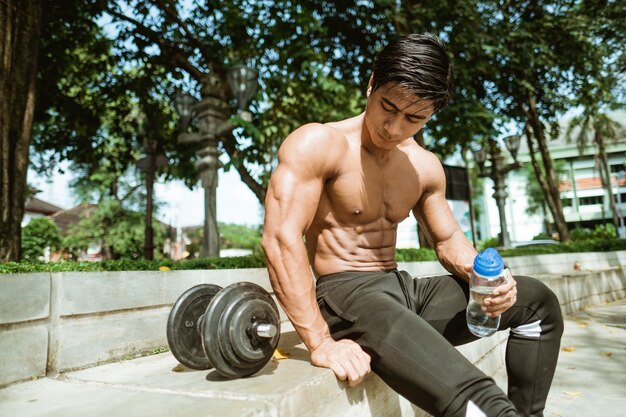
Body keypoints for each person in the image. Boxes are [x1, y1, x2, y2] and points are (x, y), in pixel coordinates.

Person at [261, 33, 564, 417]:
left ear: (432, 113)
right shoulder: (319, 143)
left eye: (414, 118)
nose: (394, 127)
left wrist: (487, 279)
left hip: (404, 291)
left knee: (537, 303)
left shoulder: (422, 165)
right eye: (388, 107)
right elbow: (280, 239)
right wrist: (321, 342)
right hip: (349, 298)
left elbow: (449, 238)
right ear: (372, 83)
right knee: (482, 400)